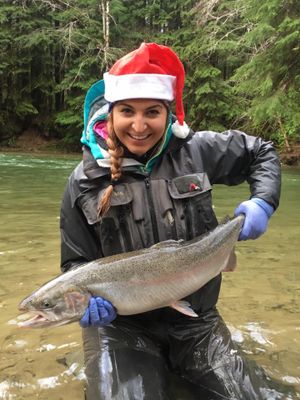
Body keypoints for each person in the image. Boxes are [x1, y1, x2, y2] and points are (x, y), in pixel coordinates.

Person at [60, 43, 281, 399]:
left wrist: (263, 202)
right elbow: (75, 262)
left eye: (152, 112)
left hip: (196, 322)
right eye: (127, 111)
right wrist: (88, 306)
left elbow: (262, 152)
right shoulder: (84, 179)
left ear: (169, 113)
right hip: (122, 328)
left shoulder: (196, 150)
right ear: (111, 112)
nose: (139, 124)